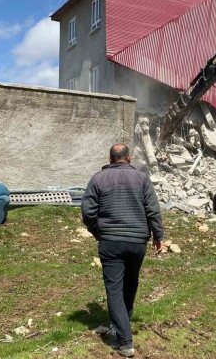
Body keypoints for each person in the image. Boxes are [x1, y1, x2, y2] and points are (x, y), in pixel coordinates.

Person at [81, 144, 164, 357]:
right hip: (137, 242)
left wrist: (96, 231)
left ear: (110, 158)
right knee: (130, 284)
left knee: (115, 290)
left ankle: (125, 341)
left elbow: (88, 211)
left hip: (110, 242)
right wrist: (158, 236)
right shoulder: (142, 178)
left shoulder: (98, 179)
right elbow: (152, 209)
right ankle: (121, 328)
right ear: (128, 158)